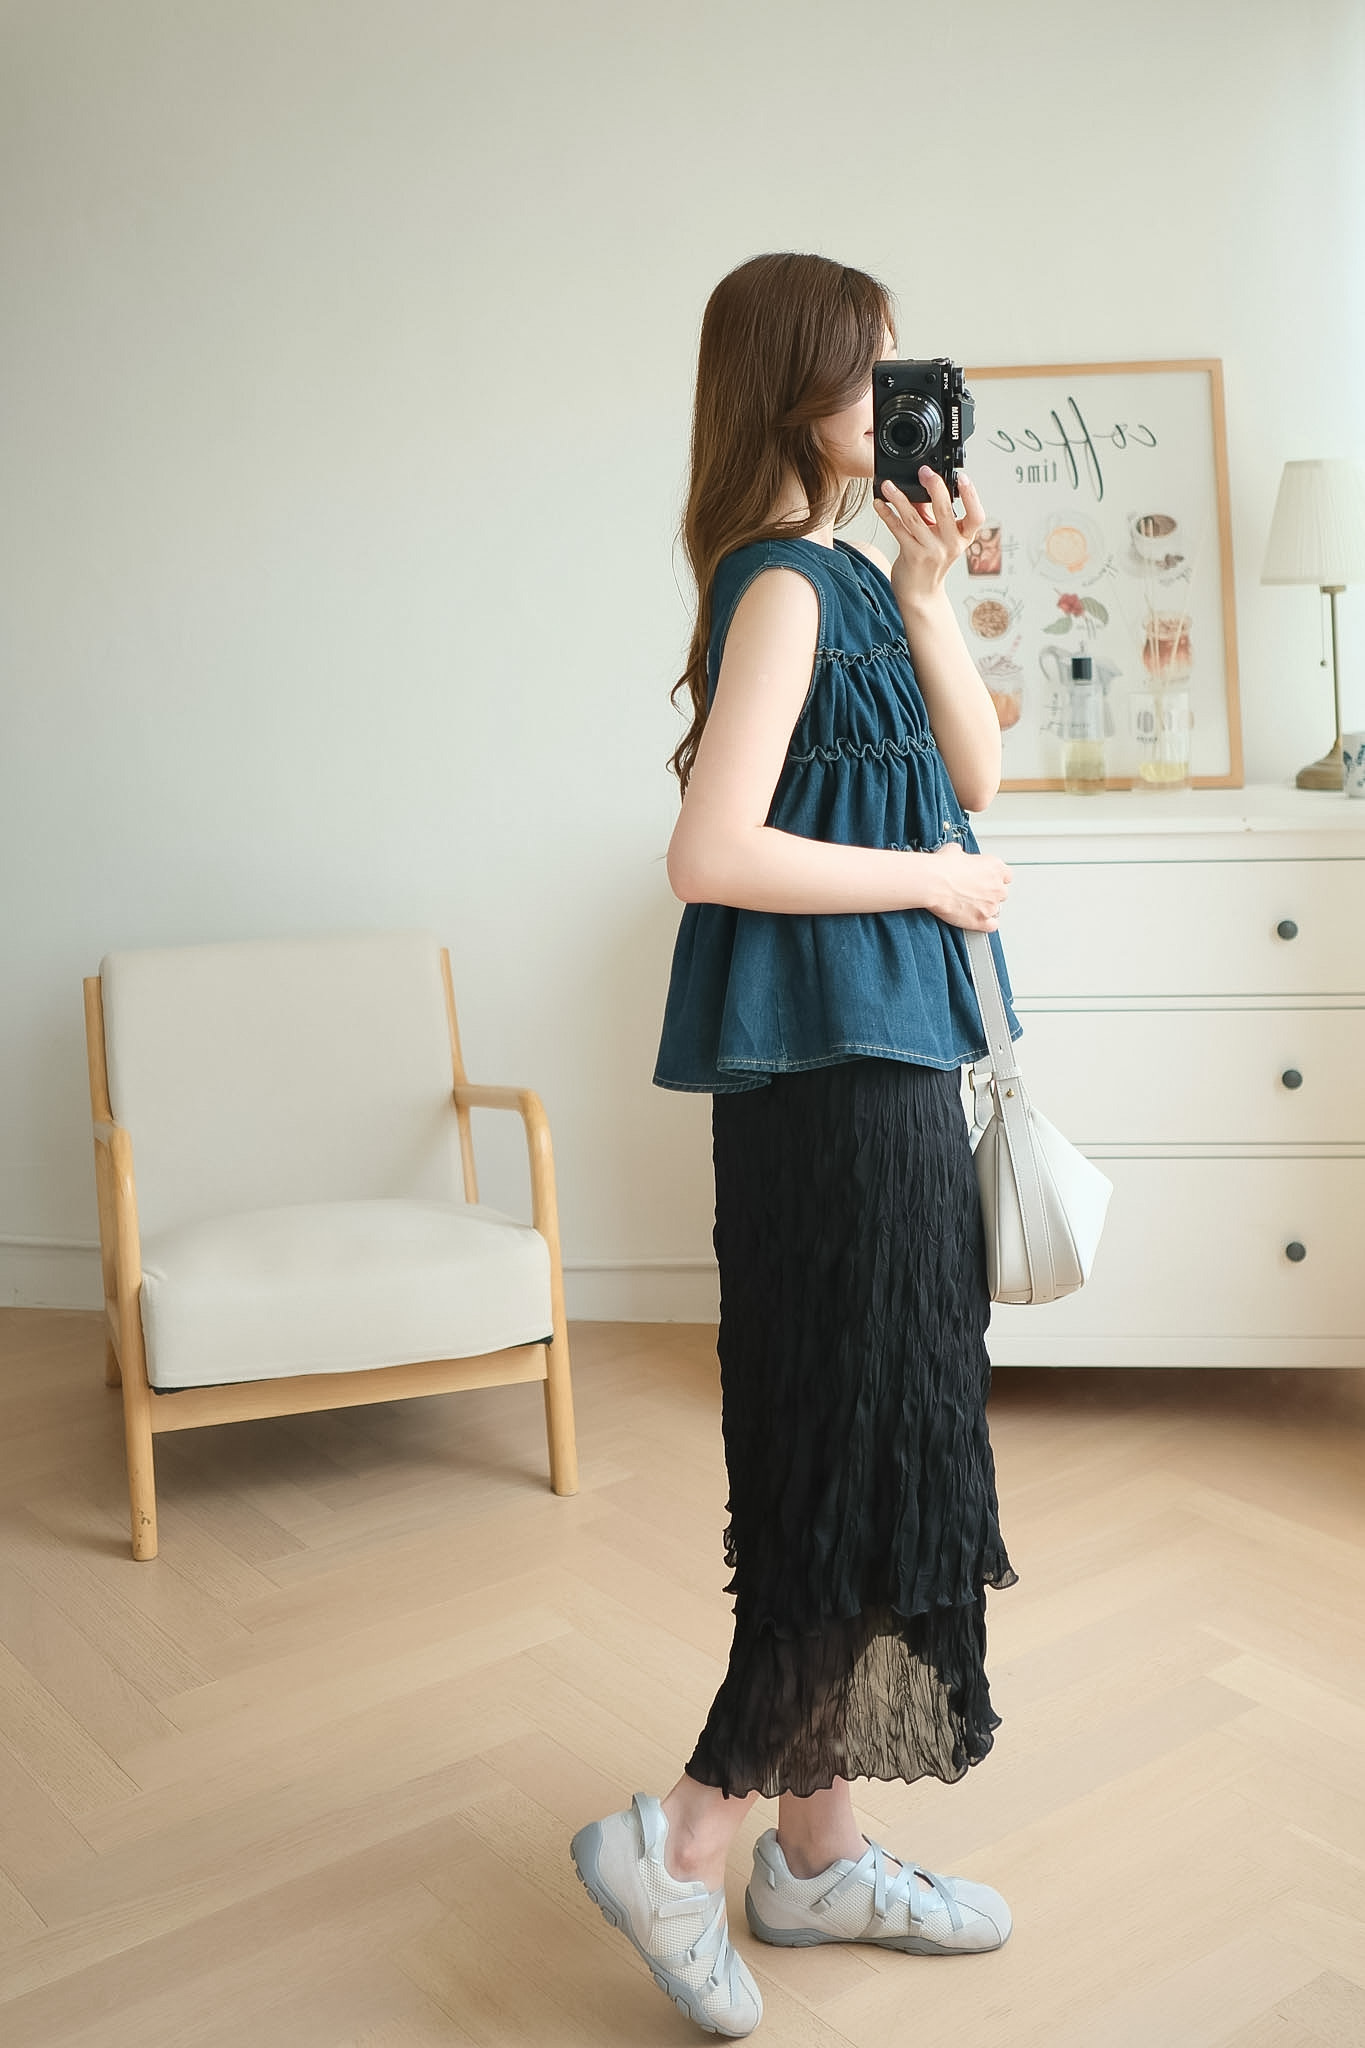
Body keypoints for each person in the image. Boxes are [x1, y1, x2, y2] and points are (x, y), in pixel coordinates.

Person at [570, 252, 1022, 2039]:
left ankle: (816, 1859)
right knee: (853, 1455)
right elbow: (712, 853)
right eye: (865, 369)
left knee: (865, 1455)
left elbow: (977, 775)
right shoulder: (771, 586)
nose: (893, 396)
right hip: (830, 1094)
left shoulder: (848, 581)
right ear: (792, 386)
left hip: (886, 1069)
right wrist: (928, 884)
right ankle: (687, 1840)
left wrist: (927, 592)